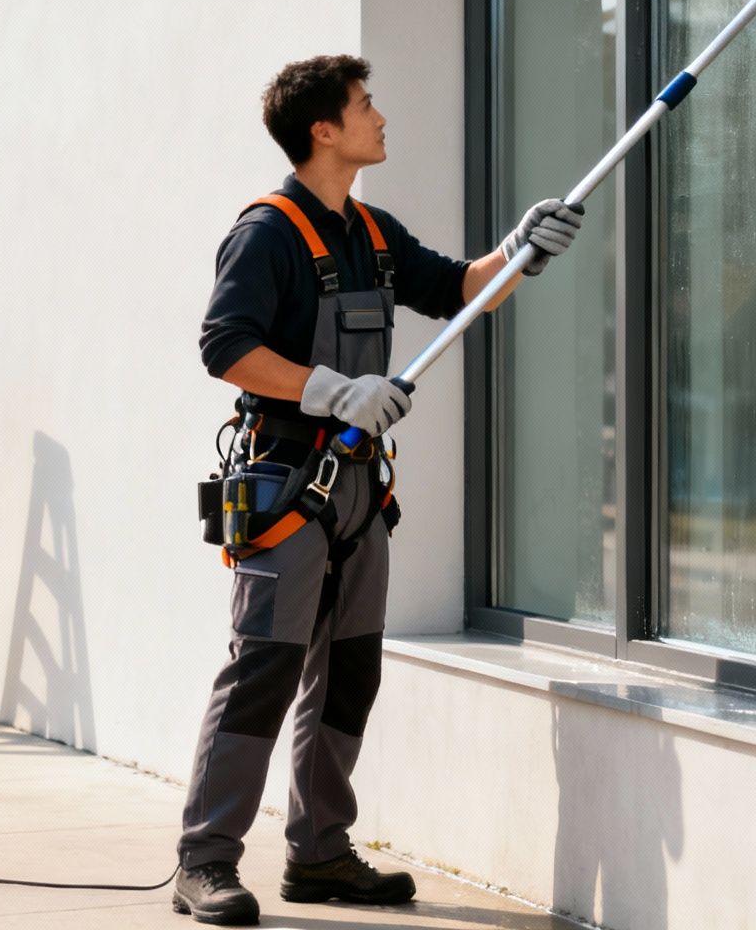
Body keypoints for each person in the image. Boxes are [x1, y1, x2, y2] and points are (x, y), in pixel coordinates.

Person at [174, 55, 582, 925]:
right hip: (287, 484)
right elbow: (224, 347)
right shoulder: (269, 233)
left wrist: (521, 250)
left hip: (361, 490)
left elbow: (464, 292)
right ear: (323, 129)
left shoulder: (371, 227)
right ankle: (204, 861)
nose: (381, 117)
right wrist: (332, 389)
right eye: (366, 106)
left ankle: (319, 853)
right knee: (264, 672)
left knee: (348, 674)